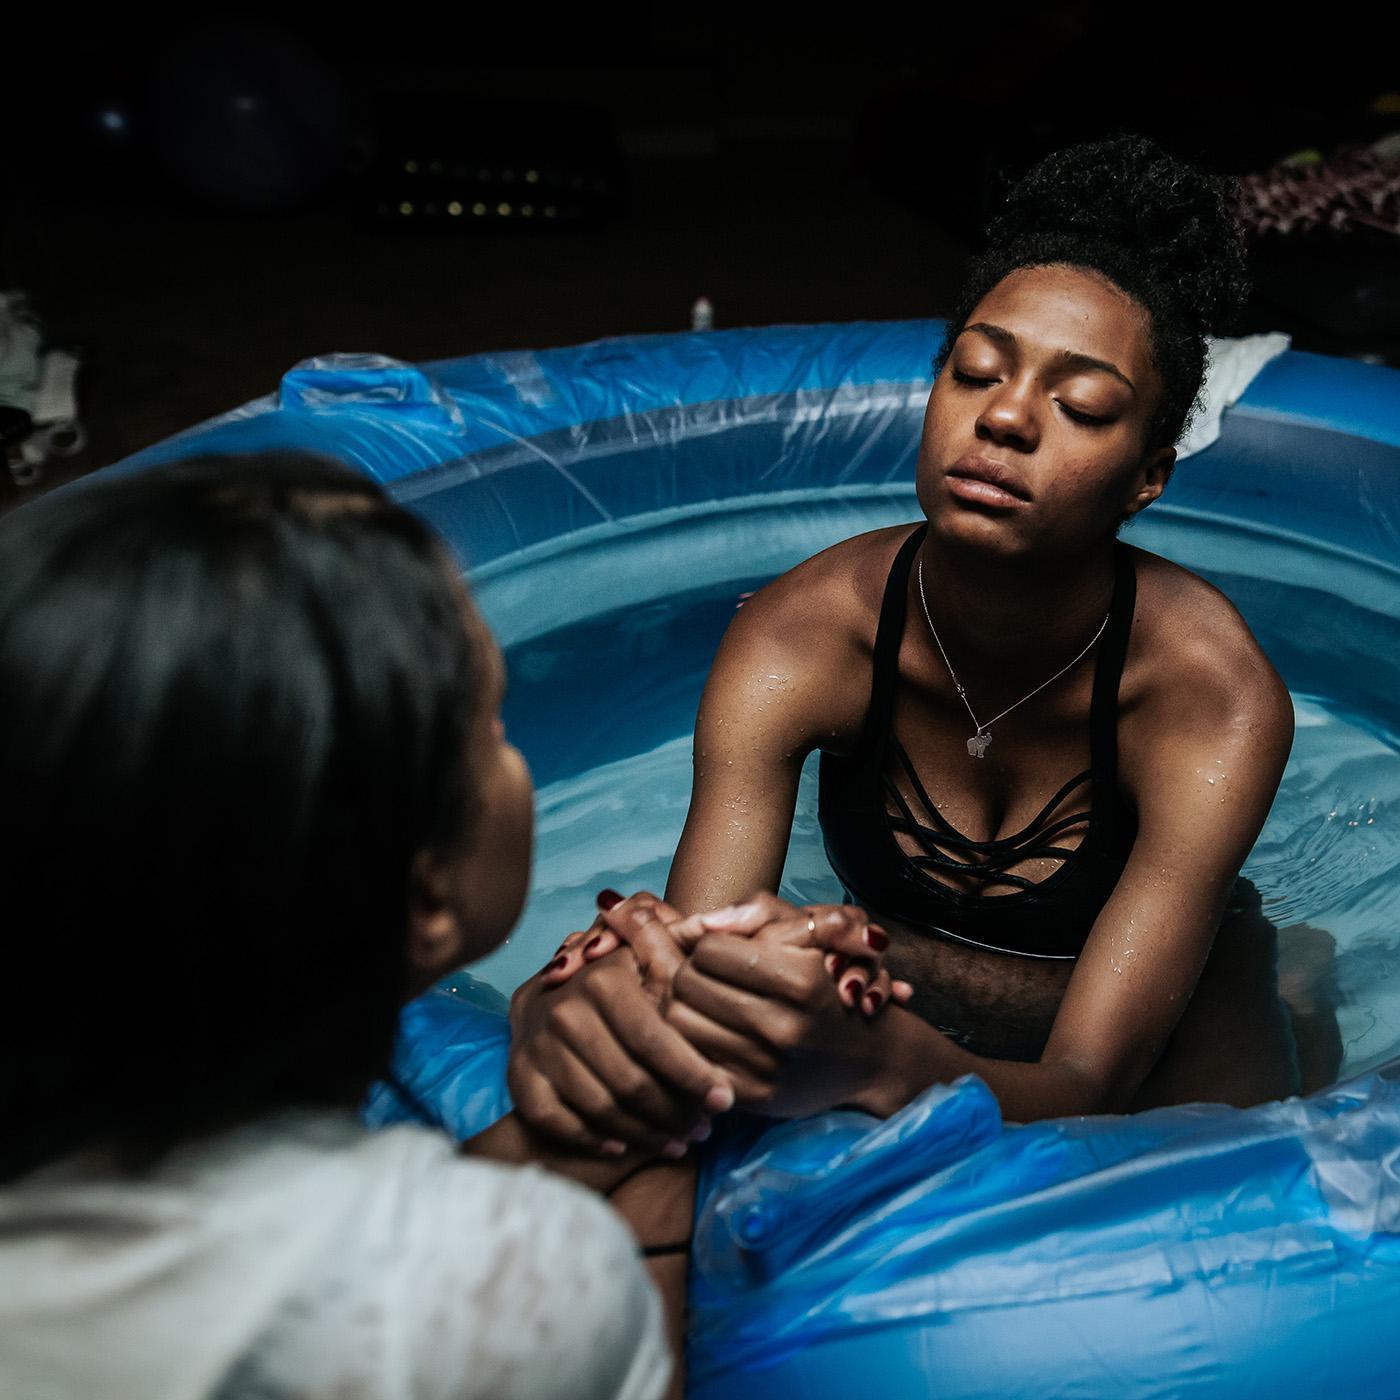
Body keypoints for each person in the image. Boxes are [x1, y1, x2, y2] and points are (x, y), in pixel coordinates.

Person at [507, 133, 1344, 1150]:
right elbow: (696, 976)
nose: (1003, 418)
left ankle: (1287, 981)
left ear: (1147, 476)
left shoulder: (1208, 697)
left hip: (1146, 1004)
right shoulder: (799, 635)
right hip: (907, 967)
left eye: (1079, 405)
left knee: (1210, 1169)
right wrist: (566, 1000)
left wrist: (878, 1056)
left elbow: (1083, 1081)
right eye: (974, 372)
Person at [0, 451, 797, 1400]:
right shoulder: (499, 1287)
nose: (513, 757)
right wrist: (664, 1187)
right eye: (496, 725)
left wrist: (573, 1145)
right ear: (424, 902)